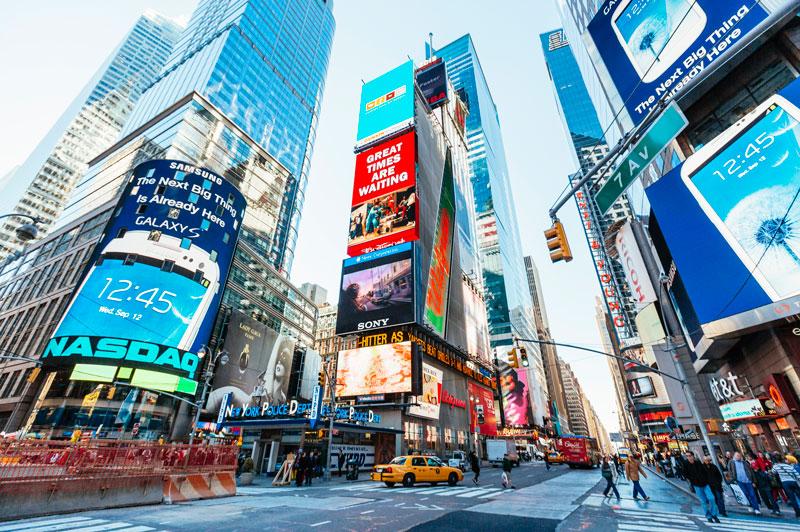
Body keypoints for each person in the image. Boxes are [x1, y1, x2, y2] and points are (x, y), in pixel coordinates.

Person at [683, 452, 720, 523]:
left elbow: (704, 471)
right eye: (687, 456)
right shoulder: (685, 464)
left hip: (705, 484)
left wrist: (707, 480)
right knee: (703, 501)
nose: (688, 457)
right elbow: (685, 475)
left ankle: (714, 514)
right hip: (697, 486)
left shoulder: (698, 462)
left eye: (690, 456)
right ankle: (708, 516)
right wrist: (692, 480)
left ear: (693, 456)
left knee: (711, 498)